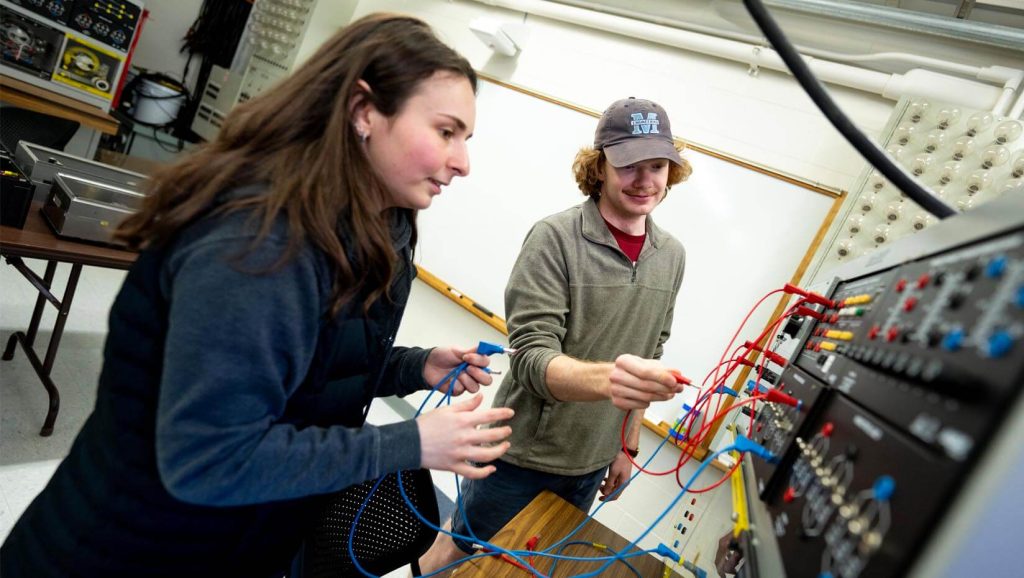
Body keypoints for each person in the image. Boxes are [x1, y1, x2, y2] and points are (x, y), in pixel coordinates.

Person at [1, 13, 515, 577]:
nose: (463, 162)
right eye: (446, 131)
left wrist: (413, 368)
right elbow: (208, 458)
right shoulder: (257, 242)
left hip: (239, 540)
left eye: (466, 138)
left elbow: (308, 370)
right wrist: (408, 443)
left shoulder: (375, 227)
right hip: (125, 548)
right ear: (364, 111)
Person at [419, 97, 694, 572]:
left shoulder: (671, 254)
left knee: (526, 568)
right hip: (519, 453)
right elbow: (531, 358)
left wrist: (625, 446)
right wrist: (614, 379)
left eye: (658, 165)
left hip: (590, 464)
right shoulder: (555, 238)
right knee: (456, 557)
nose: (645, 180)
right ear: (599, 166)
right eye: (629, 165)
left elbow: (650, 355)